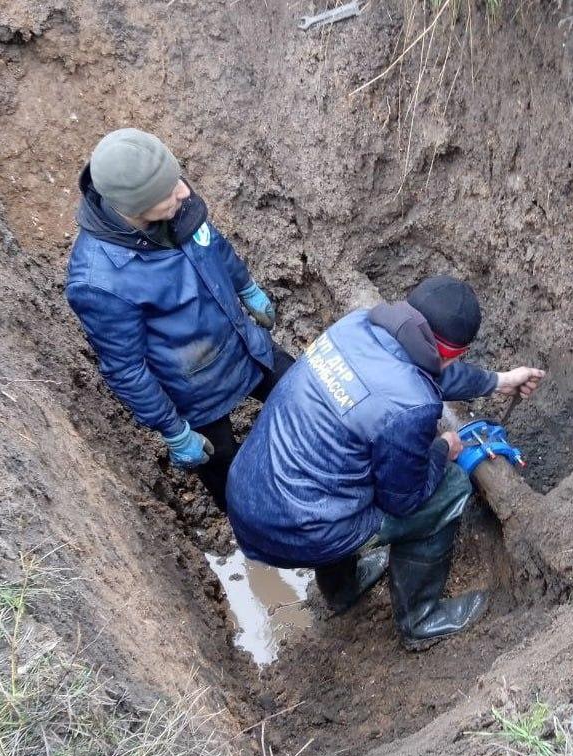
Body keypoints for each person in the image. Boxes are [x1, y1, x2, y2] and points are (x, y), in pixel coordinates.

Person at [226, 276, 544, 649]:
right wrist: (443, 450)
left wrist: (498, 381)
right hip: (297, 532)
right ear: (457, 353)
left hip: (246, 492)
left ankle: (343, 589)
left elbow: (422, 372)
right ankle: (420, 620)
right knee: (450, 487)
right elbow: (405, 500)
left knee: (340, 470)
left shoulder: (356, 325)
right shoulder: (413, 404)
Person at [65, 128, 293, 509]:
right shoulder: (99, 281)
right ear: (134, 207)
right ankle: (258, 523)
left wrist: (247, 287)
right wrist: (173, 430)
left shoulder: (174, 202)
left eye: (177, 181)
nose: (185, 192)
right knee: (231, 477)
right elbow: (126, 369)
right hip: (194, 389)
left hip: (242, 344)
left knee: (303, 390)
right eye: (169, 191)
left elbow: (213, 246)